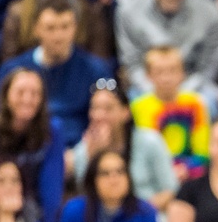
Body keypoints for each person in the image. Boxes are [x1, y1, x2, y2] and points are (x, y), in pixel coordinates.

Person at [0, 0, 113, 149]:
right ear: (36, 29)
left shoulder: (97, 70)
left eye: (65, 27)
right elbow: (1, 120)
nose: (58, 36)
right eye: (50, 28)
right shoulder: (12, 71)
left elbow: (107, 119)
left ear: (75, 28)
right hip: (27, 149)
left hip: (82, 150)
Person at [0, 68, 65, 222]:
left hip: (36, 209)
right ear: (6, 97)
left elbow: (52, 187)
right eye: (20, 92)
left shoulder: (53, 132)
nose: (28, 99)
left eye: (35, 93)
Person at [71, 79, 178, 213]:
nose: (99, 115)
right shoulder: (85, 149)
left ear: (125, 112)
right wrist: (93, 158)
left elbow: (171, 190)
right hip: (103, 220)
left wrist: (138, 213)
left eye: (108, 108)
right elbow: (85, 196)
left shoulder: (150, 141)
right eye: (94, 108)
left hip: (146, 215)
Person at [130, 45, 211, 182]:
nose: (166, 78)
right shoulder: (137, 107)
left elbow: (203, 152)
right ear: (148, 76)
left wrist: (184, 169)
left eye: (172, 71)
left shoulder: (196, 104)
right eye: (159, 72)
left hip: (190, 174)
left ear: (182, 73)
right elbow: (140, 151)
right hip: (152, 175)